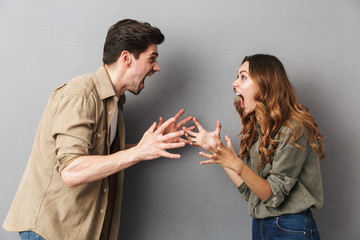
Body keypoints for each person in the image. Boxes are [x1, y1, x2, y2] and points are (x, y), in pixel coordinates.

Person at [3, 19, 193, 240]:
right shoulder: (80, 94)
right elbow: (72, 170)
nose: (157, 68)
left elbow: (98, 157)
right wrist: (139, 152)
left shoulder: (114, 102)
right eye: (152, 59)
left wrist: (148, 146)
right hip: (50, 232)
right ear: (126, 58)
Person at [184, 54, 325, 239]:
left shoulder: (294, 128)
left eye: (243, 77)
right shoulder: (259, 128)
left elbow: (274, 195)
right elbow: (251, 192)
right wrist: (218, 152)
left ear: (265, 84)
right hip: (261, 225)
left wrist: (235, 163)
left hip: (291, 228)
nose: (234, 83)